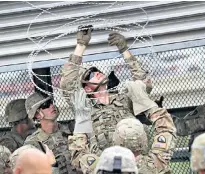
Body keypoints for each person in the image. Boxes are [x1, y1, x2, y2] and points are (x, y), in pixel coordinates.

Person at [60, 26, 176, 173]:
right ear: (87, 88)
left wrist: (124, 49)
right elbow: (67, 85)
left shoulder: (123, 98)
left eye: (97, 71)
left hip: (136, 163)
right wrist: (81, 46)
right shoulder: (85, 108)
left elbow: (142, 83)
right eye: (90, 75)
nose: (96, 74)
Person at [23, 92, 77, 174]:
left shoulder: (72, 130)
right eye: (46, 105)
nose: (52, 106)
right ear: (37, 114)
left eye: (51, 102)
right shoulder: (33, 143)